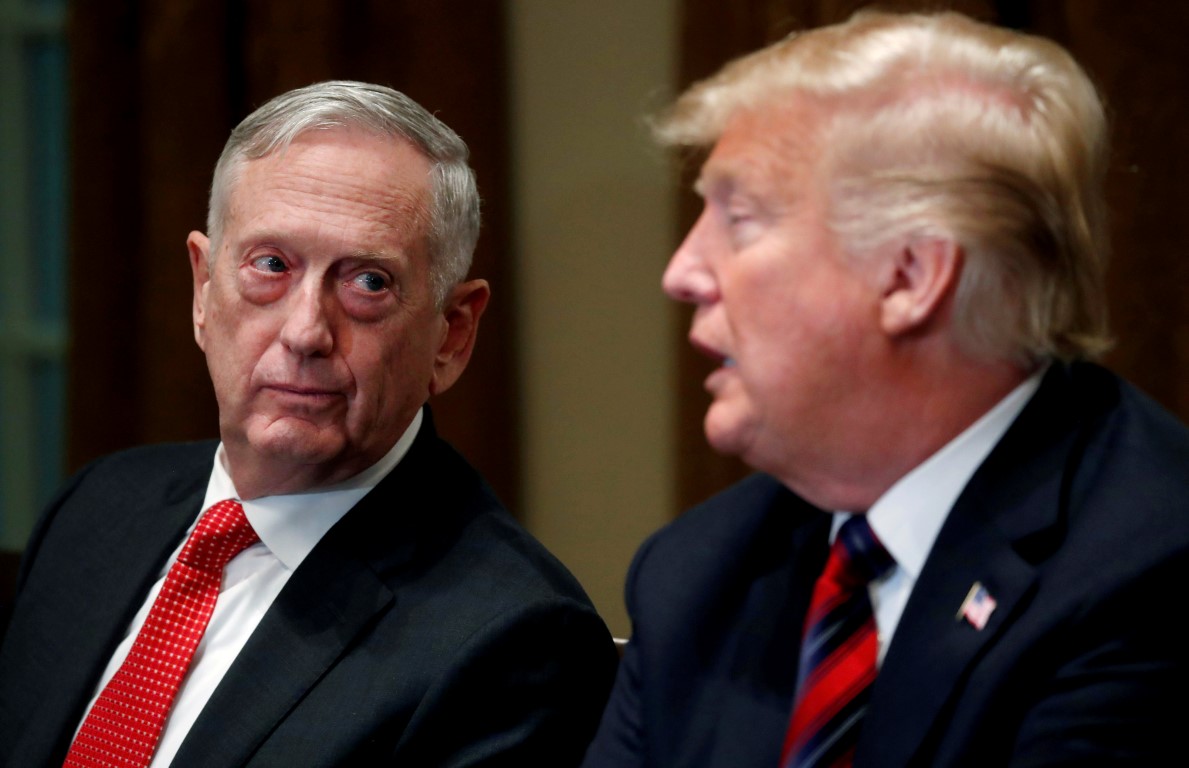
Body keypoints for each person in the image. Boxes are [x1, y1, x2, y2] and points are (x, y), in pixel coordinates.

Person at [582, 10, 1189, 768]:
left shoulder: (1151, 572)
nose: (681, 272)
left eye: (738, 218)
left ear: (909, 275)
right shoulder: (695, 574)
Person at [0, 80, 617, 767]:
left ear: (451, 334)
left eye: (368, 283)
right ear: (203, 290)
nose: (305, 332)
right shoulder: (97, 507)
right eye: (271, 266)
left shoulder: (514, 641)